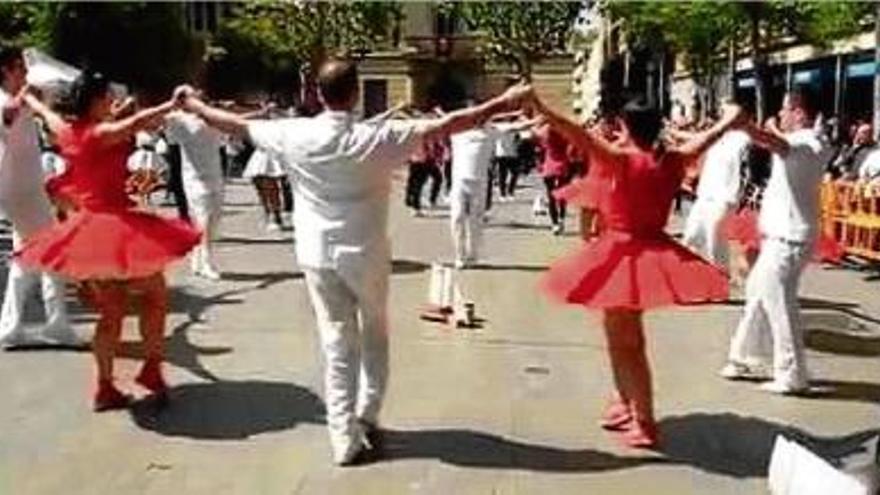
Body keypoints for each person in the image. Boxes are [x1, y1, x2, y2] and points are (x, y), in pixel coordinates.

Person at [181, 58, 531, 465]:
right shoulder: (377, 137)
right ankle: (366, 413)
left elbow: (234, 125)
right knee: (374, 332)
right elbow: (451, 123)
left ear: (317, 94)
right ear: (356, 93)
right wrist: (505, 99)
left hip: (315, 254)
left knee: (335, 342)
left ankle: (342, 436)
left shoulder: (294, 134)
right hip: (365, 252)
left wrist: (193, 103)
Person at [537, 95, 742, 449]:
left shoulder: (621, 160)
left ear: (625, 126)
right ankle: (625, 402)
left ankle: (644, 419)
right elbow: (709, 136)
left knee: (628, 342)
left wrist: (539, 105)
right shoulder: (673, 158)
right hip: (646, 249)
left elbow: (574, 132)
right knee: (620, 335)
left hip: (625, 252)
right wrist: (729, 120)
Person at [16, 71, 200, 411]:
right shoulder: (101, 132)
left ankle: (105, 387)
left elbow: (47, 114)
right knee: (155, 296)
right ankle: (151, 371)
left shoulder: (67, 131)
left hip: (88, 229)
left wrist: (28, 98)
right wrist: (172, 104)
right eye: (107, 96)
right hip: (116, 225)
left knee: (111, 312)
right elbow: (138, 122)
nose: (112, 101)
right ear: (97, 99)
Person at [721, 87, 828, 395]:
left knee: (779, 304)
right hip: (781, 236)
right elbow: (775, 142)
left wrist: (744, 124)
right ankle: (745, 357)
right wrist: (759, 127)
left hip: (790, 238)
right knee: (757, 295)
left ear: (800, 113)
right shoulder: (802, 141)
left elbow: (776, 143)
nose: (781, 114)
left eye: (785, 109)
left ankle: (792, 373)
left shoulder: (810, 142)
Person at [0, 43, 83, 349]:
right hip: (19, 190)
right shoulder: (6, 100)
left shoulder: (18, 99)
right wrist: (29, 96)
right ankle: (57, 323)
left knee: (26, 257)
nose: (25, 72)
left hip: (25, 187)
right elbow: (7, 116)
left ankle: (11, 327)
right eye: (20, 67)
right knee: (54, 251)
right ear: (6, 70)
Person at [164, 107, 226, 280]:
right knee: (203, 217)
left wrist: (261, 112)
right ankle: (207, 262)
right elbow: (158, 122)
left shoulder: (214, 117)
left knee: (214, 219)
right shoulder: (178, 119)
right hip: (194, 177)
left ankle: (197, 256)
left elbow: (236, 121)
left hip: (215, 174)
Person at [682, 128, 751, 268]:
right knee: (690, 238)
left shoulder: (745, 139)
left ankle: (721, 280)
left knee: (715, 247)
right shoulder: (716, 134)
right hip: (704, 195)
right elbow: (696, 137)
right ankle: (695, 278)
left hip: (724, 199)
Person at [449, 114, 497, 269]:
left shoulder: (490, 132)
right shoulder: (457, 133)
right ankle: (459, 256)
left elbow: (517, 127)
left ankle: (472, 255)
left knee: (475, 220)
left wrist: (541, 118)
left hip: (480, 182)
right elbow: (434, 124)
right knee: (457, 218)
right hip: (459, 182)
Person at [536, 124, 573, 235]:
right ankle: (561, 218)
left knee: (551, 196)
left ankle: (555, 223)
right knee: (562, 195)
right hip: (562, 165)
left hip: (549, 166)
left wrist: (539, 164)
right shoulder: (566, 132)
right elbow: (571, 149)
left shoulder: (545, 131)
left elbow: (539, 149)